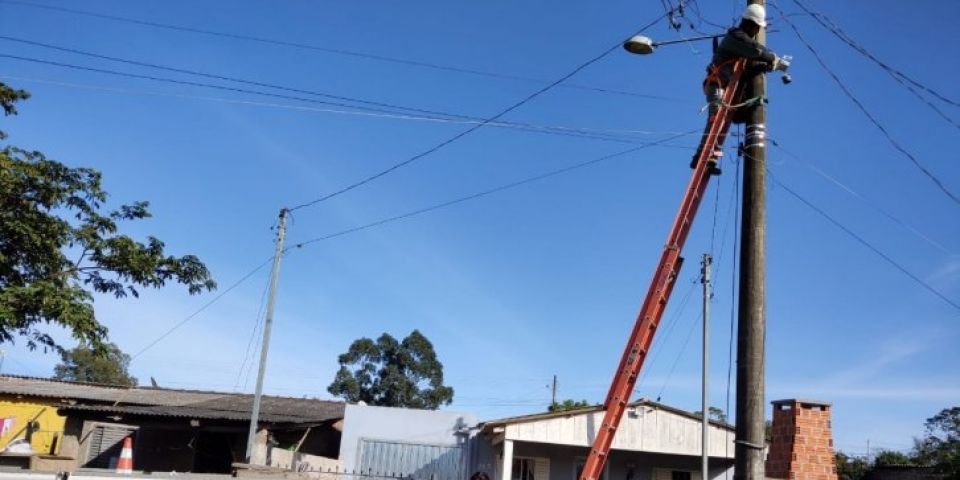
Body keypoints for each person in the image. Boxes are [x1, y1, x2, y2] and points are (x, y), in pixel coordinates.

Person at [692, 4, 789, 174]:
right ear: (752, 24)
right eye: (757, 28)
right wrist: (773, 58)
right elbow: (756, 49)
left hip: (726, 88)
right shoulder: (735, 37)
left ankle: (709, 160)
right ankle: (701, 159)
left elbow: (748, 67)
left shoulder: (741, 47)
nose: (757, 32)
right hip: (717, 84)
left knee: (731, 119)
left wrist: (765, 66)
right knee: (716, 121)